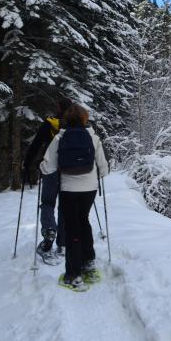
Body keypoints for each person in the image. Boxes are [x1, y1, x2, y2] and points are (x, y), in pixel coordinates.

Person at [40, 104, 108, 290]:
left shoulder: (60, 137)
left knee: (72, 228)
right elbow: (104, 168)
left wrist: (40, 170)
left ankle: (73, 275)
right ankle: (89, 265)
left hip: (68, 189)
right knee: (84, 221)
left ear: (66, 119)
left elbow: (48, 167)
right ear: (85, 118)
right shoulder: (93, 138)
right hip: (89, 189)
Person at [23, 97, 73, 259]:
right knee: (65, 205)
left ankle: (49, 230)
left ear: (58, 107)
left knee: (48, 202)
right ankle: (63, 243)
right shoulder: (76, 125)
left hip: (50, 170)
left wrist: (27, 164)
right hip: (69, 172)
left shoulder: (49, 124)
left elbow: (36, 145)